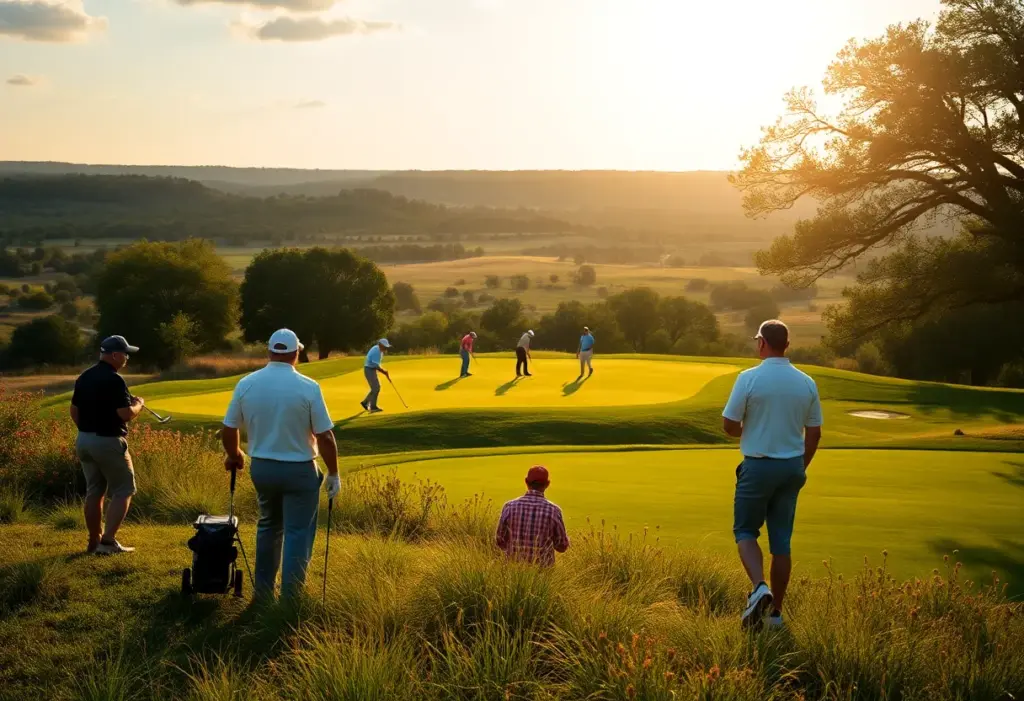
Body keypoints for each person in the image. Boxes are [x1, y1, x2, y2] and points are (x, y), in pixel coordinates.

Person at [222, 328, 340, 600]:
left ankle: (262, 594)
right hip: (299, 470)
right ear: (296, 353)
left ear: (269, 351)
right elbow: (324, 436)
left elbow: (229, 428)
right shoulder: (309, 387)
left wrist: (235, 454)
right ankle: (291, 597)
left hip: (262, 468)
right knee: (298, 532)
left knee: (269, 526)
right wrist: (333, 473)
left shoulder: (247, 383)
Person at [721, 319, 823, 630]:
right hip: (792, 467)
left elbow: (728, 425)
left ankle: (758, 589)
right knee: (782, 543)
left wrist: (749, 431)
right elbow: (815, 432)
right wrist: (799, 467)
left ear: (762, 343)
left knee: (745, 532)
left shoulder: (749, 378)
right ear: (787, 346)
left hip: (759, 465)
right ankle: (775, 614)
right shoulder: (806, 382)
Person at [70, 335, 145, 555]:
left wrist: (88, 430)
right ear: (114, 355)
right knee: (124, 489)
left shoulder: (84, 377)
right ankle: (108, 542)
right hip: (108, 441)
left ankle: (94, 541)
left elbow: (74, 411)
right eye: (125, 353)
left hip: (84, 440)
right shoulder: (115, 380)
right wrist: (139, 405)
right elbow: (125, 413)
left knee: (94, 490)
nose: (127, 358)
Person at [495, 465, 570, 566]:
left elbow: (500, 540)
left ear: (526, 481)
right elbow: (562, 546)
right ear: (547, 484)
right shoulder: (553, 510)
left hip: (512, 572)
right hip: (543, 575)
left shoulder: (509, 506)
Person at [361, 338, 391, 413]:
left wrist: (384, 371)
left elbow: (377, 365)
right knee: (376, 387)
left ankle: (365, 402)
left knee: (375, 387)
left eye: (386, 347)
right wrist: (384, 372)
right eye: (385, 347)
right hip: (369, 369)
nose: (386, 348)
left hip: (371, 369)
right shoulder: (376, 351)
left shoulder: (380, 351)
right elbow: (375, 365)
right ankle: (373, 407)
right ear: (380, 345)